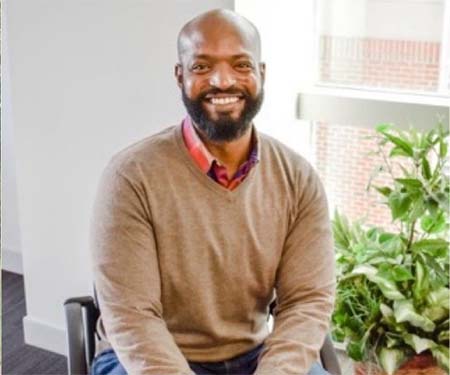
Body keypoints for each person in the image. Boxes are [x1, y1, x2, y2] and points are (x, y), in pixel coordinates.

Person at [91, 8, 335, 375]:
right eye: (202, 67)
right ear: (180, 76)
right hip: (148, 357)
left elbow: (307, 300)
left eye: (240, 65)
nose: (223, 81)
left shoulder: (298, 178)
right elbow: (133, 316)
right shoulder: (130, 177)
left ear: (261, 74)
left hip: (254, 355)